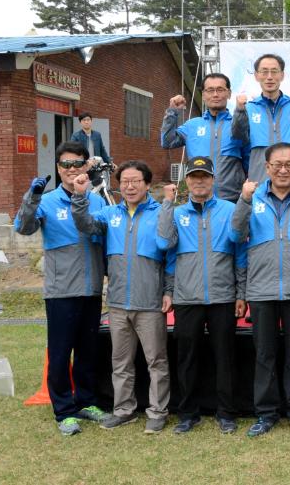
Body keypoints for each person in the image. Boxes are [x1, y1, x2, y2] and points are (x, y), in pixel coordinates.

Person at [231, 142, 290, 437]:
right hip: (261, 290)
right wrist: (244, 200)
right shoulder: (252, 198)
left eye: (289, 165)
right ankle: (266, 413)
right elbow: (235, 235)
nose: (283, 170)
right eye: (277, 165)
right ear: (267, 167)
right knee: (265, 355)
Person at [14, 141, 111, 436]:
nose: (71, 169)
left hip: (91, 288)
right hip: (61, 291)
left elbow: (105, 237)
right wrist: (32, 197)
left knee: (88, 351)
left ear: (86, 166)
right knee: (60, 353)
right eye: (65, 164)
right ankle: (64, 411)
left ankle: (86, 401)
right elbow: (23, 227)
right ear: (58, 168)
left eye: (77, 163)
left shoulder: (97, 201)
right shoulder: (47, 201)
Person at [71, 160, 171, 434]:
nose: (129, 186)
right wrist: (79, 196)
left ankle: (157, 412)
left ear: (147, 184)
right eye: (124, 181)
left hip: (149, 303)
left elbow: (170, 255)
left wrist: (169, 291)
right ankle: (124, 410)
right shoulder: (109, 214)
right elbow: (86, 224)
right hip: (117, 303)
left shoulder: (161, 213)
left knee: (157, 362)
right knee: (121, 362)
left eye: (135, 181)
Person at [157, 156, 247, 435]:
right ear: (187, 181)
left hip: (223, 297)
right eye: (194, 177)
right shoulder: (177, 213)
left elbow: (240, 253)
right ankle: (188, 413)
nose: (199, 181)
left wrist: (241, 293)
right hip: (187, 298)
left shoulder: (230, 210)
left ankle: (226, 412)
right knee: (186, 359)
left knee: (225, 358)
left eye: (204, 176)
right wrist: (169, 290)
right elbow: (167, 249)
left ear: (213, 180)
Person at [161, 73, 247, 202]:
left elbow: (250, 160)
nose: (215, 94)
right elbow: (167, 142)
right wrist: (172, 112)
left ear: (229, 93)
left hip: (232, 201)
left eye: (220, 89)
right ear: (203, 95)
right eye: (210, 90)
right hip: (199, 200)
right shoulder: (192, 125)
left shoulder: (238, 124)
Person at [232, 54, 290, 183]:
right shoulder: (247, 109)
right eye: (264, 72)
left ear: (282, 75)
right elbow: (240, 144)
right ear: (256, 76)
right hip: (259, 185)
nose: (269, 77)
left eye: (274, 71)